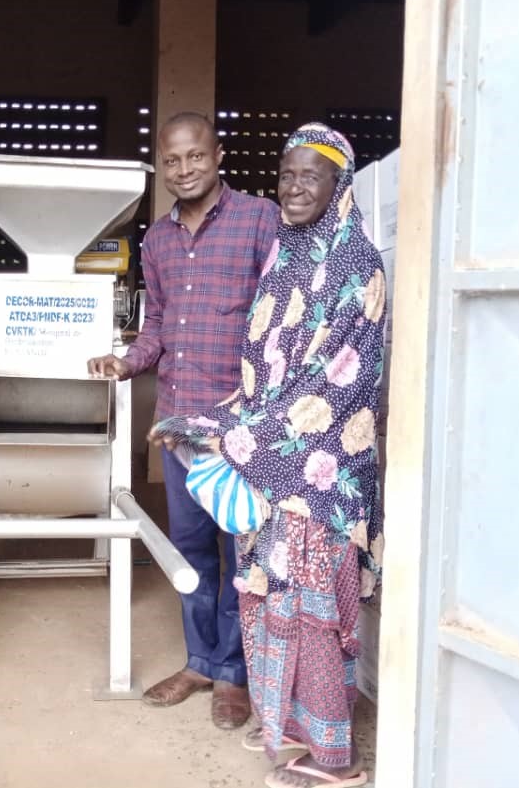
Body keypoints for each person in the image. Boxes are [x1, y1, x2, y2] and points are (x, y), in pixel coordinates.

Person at [149, 122, 385, 788]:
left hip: (322, 475)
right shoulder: (288, 257)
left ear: (339, 184)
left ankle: (336, 759)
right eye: (286, 173)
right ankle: (288, 725)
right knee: (273, 605)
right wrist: (206, 421)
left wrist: (234, 437)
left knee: (313, 618)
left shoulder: (355, 263)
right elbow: (261, 376)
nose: (295, 186)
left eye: (312, 174)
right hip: (273, 471)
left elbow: (333, 380)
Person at [87, 111, 279, 729]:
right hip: (177, 427)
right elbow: (158, 328)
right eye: (172, 160)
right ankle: (200, 662)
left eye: (195, 156)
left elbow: (282, 317)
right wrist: (125, 362)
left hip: (241, 430)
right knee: (191, 549)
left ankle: (234, 673)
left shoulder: (259, 219)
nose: (184, 168)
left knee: (239, 550)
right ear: (161, 166)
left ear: (218, 154)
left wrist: (265, 410)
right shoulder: (157, 240)